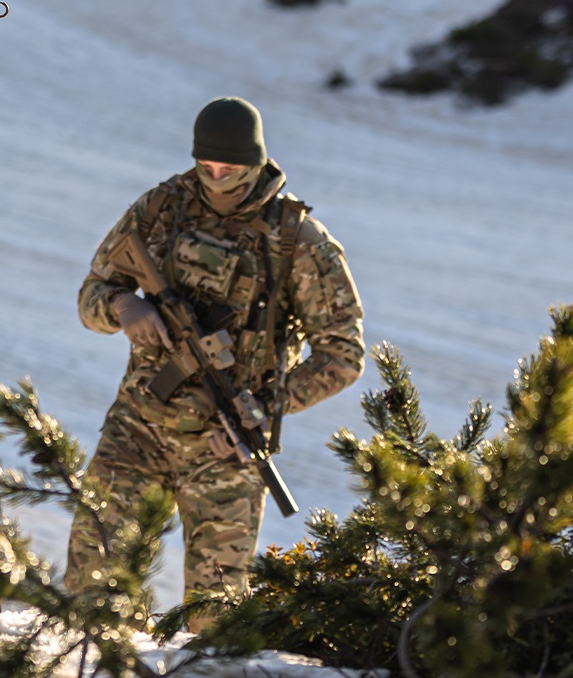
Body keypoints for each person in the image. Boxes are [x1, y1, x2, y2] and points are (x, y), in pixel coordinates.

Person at [65, 96, 365, 604]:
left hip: (225, 451)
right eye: (207, 167)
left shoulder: (299, 242)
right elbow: (91, 295)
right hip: (138, 428)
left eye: (231, 169)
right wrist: (123, 307)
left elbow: (342, 355)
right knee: (93, 591)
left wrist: (267, 409)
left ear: (256, 161)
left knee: (216, 616)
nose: (218, 179)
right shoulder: (163, 208)